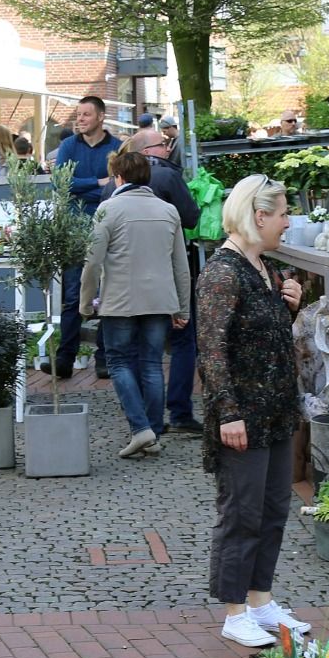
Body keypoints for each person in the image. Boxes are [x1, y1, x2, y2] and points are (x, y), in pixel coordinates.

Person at [197, 174, 309, 647]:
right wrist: (228, 414)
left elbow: (260, 340)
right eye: (282, 213)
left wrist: (289, 310)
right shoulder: (223, 273)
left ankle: (261, 600)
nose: (288, 222)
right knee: (241, 513)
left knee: (273, 510)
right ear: (258, 216)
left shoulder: (264, 268)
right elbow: (213, 350)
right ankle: (234, 610)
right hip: (242, 414)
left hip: (276, 410)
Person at [79, 149, 190, 458]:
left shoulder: (108, 209)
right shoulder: (168, 211)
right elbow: (181, 266)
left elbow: (92, 262)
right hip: (159, 300)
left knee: (118, 362)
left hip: (119, 300)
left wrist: (86, 303)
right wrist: (183, 309)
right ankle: (152, 431)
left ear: (118, 177)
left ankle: (140, 428)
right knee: (152, 364)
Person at [128, 122, 202, 431]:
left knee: (140, 348)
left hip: (129, 278)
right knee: (183, 341)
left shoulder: (115, 183)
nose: (168, 149)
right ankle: (180, 412)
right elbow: (192, 217)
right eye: (162, 145)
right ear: (146, 152)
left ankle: (146, 417)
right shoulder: (168, 175)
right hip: (169, 272)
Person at [51, 96, 122, 378]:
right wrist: (97, 183)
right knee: (72, 294)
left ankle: (104, 356)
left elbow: (116, 190)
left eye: (85, 115)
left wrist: (87, 189)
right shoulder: (68, 146)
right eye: (77, 115)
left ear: (101, 117)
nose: (79, 119)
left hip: (108, 228)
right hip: (73, 229)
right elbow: (60, 184)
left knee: (107, 293)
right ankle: (65, 357)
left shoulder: (117, 148)